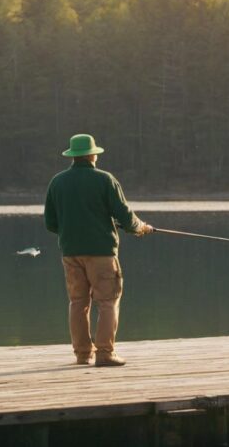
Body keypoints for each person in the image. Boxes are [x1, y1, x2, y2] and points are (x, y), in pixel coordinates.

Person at [44, 133, 153, 367]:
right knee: (108, 301)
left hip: (70, 253)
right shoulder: (105, 180)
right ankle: (105, 353)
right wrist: (141, 228)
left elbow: (51, 224)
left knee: (77, 302)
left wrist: (74, 230)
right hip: (102, 253)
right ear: (93, 155)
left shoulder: (57, 182)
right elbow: (125, 216)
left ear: (73, 156)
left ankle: (82, 354)